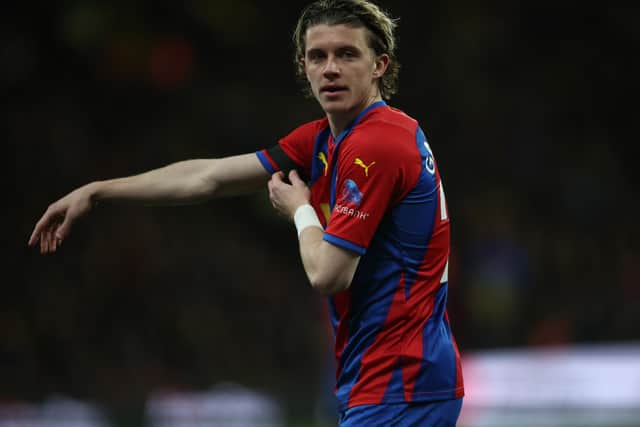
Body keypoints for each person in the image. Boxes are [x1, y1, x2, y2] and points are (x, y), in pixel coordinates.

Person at [28, 0, 464, 425]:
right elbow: (209, 177)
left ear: (379, 66)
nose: (330, 67)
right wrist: (98, 191)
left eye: (347, 54)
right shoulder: (324, 140)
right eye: (318, 56)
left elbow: (328, 274)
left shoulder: (375, 145)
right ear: (303, 67)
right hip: (390, 379)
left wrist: (301, 212)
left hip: (401, 383)